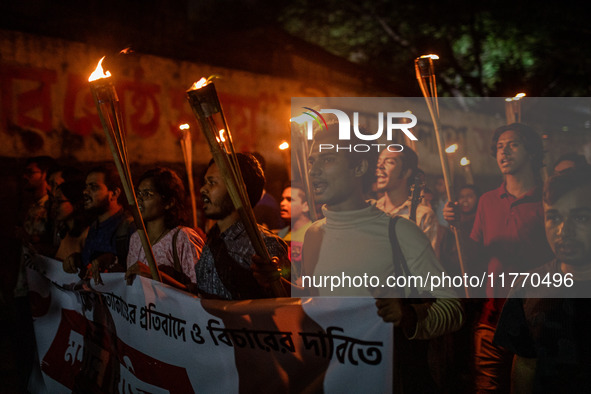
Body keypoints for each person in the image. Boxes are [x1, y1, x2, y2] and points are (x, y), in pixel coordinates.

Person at [443, 123, 554, 392]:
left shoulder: (547, 199)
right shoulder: (487, 201)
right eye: (499, 147)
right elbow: (474, 259)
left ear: (531, 151)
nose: (503, 151)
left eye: (513, 144)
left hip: (535, 317)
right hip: (492, 316)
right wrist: (456, 228)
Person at [494, 167, 591, 392]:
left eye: (580, 217)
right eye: (554, 217)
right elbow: (525, 365)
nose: (563, 230)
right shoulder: (528, 288)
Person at [195, 153, 290, 300]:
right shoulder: (212, 239)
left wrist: (273, 279)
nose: (203, 189)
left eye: (212, 182)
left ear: (238, 189)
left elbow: (288, 305)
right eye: (205, 182)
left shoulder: (264, 246)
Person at [125, 167, 204, 288]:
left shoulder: (183, 238)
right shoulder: (136, 239)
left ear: (169, 203)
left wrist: (156, 275)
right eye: (138, 193)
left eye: (147, 194)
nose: (138, 200)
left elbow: (199, 292)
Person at [373, 145, 438, 250]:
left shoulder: (422, 215)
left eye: (389, 162)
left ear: (406, 172)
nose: (380, 166)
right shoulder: (372, 210)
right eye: (379, 161)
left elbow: (428, 263)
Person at [81, 164, 135, 282]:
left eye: (94, 187)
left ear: (114, 193)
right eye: (86, 187)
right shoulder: (95, 226)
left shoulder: (129, 228)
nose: (85, 192)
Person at [277, 182, 312, 282]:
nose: (282, 203)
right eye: (282, 199)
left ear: (306, 206)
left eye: (289, 200)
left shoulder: (313, 233)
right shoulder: (281, 234)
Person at [53, 180, 90, 271]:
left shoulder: (86, 234)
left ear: (76, 203)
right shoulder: (65, 231)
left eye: (59, 201)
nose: (54, 206)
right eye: (54, 201)